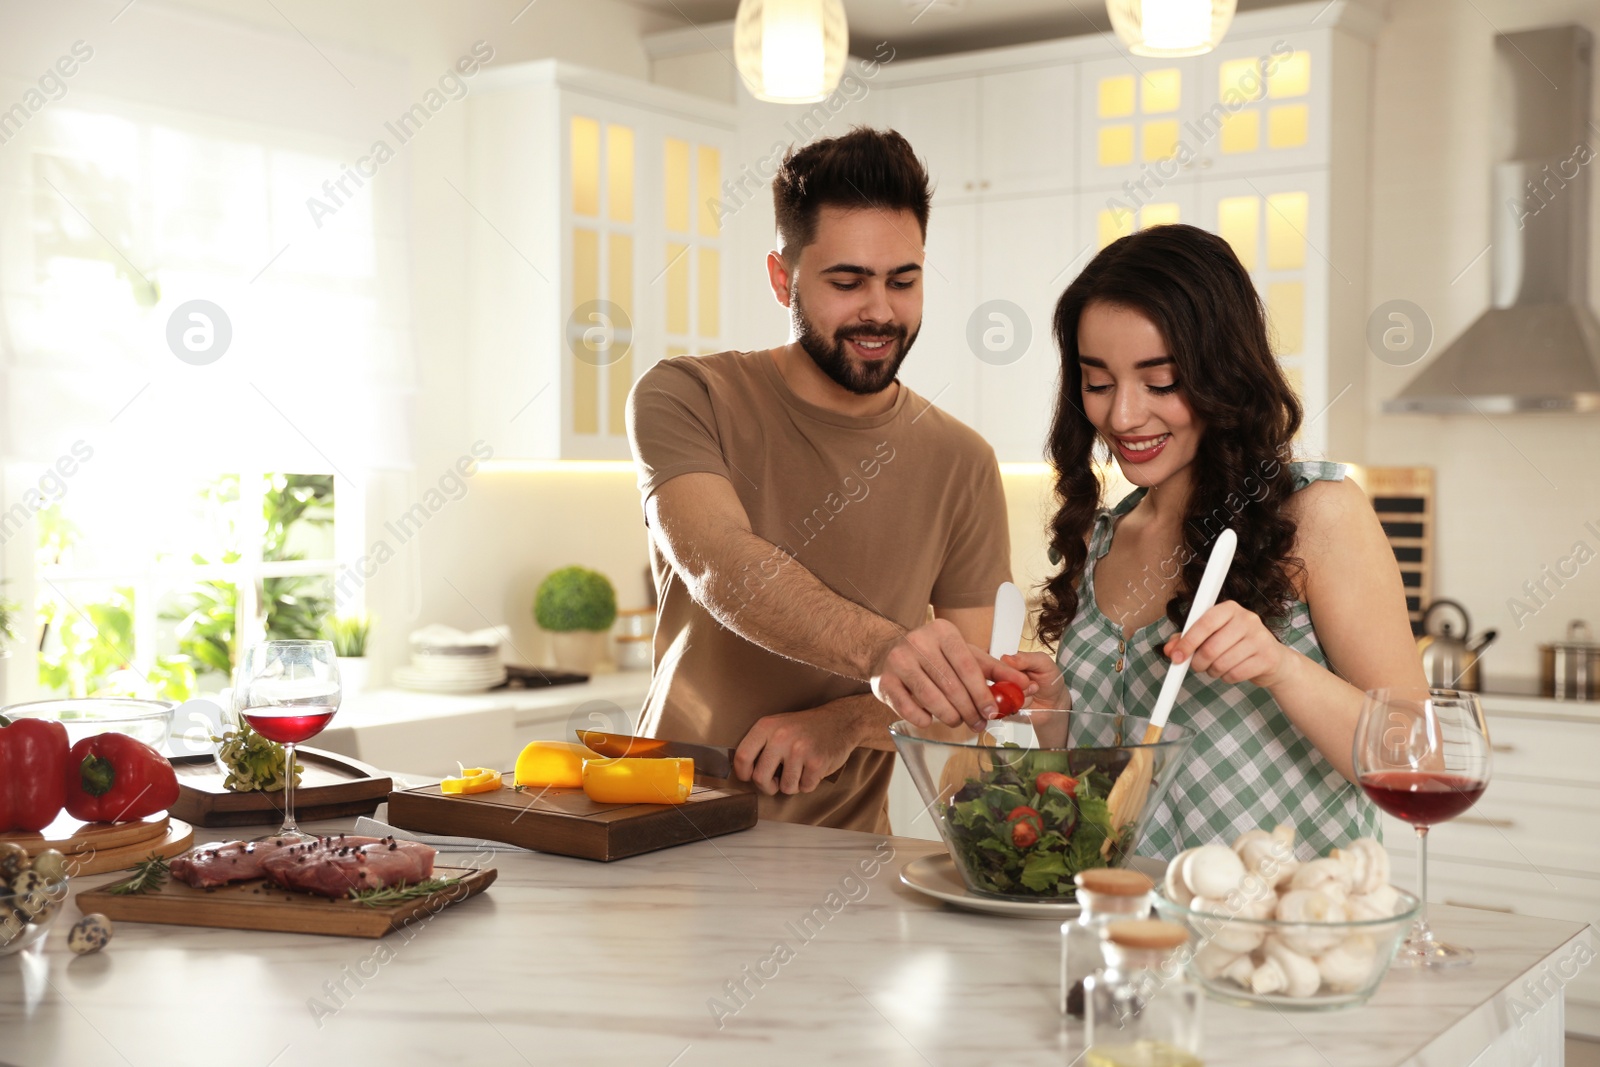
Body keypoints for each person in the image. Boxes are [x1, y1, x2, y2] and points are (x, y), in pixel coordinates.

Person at [626, 127, 1032, 833]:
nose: (879, 310)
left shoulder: (962, 461)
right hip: (663, 829)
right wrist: (884, 651)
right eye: (847, 282)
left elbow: (976, 700)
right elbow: (720, 563)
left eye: (902, 280)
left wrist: (845, 723)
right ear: (783, 278)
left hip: (848, 866)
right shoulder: (687, 396)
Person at [1002, 223, 1428, 859]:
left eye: (1161, 381)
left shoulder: (1317, 515)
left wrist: (1284, 669)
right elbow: (1111, 798)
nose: (1122, 416)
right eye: (1098, 382)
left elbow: (1417, 760)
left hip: (1285, 938)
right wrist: (1058, 714)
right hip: (1133, 937)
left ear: (1223, 373)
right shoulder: (1103, 539)